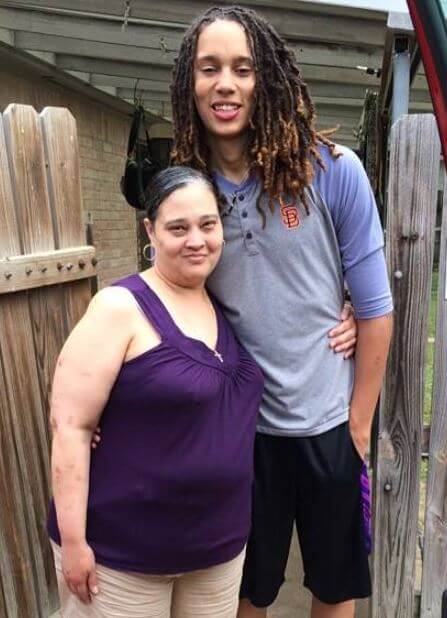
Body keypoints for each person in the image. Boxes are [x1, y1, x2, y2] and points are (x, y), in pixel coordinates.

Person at [165, 6, 393, 618]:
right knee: (246, 589)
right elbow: (162, 304)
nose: (226, 84)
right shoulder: (189, 196)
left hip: (328, 424)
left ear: (266, 78)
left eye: (243, 68)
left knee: (334, 586)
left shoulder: (334, 173)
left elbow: (375, 309)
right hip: (240, 433)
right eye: (209, 68)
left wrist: (360, 425)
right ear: (191, 82)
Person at [47, 166, 267, 618]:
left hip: (216, 552)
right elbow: (70, 426)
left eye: (208, 225)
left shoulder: (221, 299)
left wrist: (347, 309)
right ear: (150, 230)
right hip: (122, 555)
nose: (196, 240)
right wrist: (73, 543)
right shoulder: (119, 307)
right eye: (178, 228)